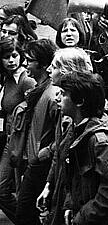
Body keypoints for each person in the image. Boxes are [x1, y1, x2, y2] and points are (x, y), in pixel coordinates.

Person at [56, 71, 108, 225]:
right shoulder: (76, 131)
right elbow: (74, 179)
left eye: (63, 94)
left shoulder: (100, 142)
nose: (57, 98)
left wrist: (82, 216)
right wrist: (70, 205)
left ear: (80, 101)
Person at [35, 48, 94, 225]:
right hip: (63, 186)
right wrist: (48, 184)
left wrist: (70, 204)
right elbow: (60, 150)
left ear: (67, 71)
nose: (48, 70)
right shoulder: (64, 103)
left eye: (53, 67)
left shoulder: (82, 112)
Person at [14, 39, 58, 225]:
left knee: (25, 213)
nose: (25, 64)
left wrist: (45, 152)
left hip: (41, 163)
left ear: (43, 64)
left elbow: (65, 133)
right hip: (34, 160)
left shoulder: (52, 95)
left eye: (30, 60)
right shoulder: (40, 90)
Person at [0, 38, 36, 222]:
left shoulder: (26, 80)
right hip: (9, 139)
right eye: (6, 57)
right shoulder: (6, 79)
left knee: (5, 190)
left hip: (22, 142)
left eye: (14, 56)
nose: (11, 60)